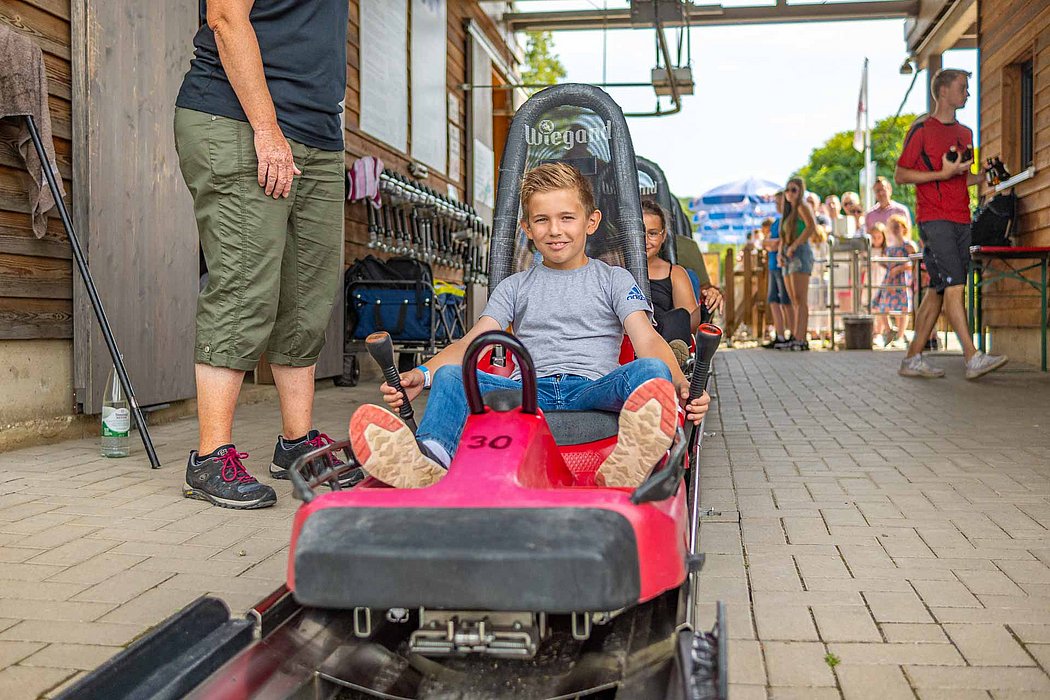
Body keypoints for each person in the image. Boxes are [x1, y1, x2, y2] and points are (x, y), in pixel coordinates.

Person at [346, 163, 711, 490]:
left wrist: (680, 384)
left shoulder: (614, 279)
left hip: (592, 387)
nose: (555, 231)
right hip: (526, 392)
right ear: (527, 228)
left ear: (591, 222)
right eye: (542, 220)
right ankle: (427, 462)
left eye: (567, 218)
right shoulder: (514, 286)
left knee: (651, 368)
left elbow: (646, 340)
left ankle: (630, 459)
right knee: (451, 378)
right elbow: (474, 342)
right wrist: (422, 374)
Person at [174, 0, 350, 508]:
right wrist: (266, 129)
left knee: (308, 294)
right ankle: (209, 457)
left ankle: (297, 444)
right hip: (239, 117)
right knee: (244, 284)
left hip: (318, 130)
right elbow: (226, 18)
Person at [895, 68, 1007, 379]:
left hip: (961, 217)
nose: (968, 93)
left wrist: (984, 175)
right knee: (956, 285)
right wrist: (939, 176)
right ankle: (972, 358)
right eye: (962, 87)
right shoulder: (921, 131)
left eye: (968, 88)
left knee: (939, 289)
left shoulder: (966, 133)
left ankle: (912, 359)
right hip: (935, 219)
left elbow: (962, 178)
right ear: (943, 92)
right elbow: (901, 174)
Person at [642, 200, 724, 366]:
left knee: (679, 316)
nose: (644, 240)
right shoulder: (613, 266)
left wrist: (706, 304)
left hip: (664, 337)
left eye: (652, 233)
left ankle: (671, 357)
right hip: (627, 337)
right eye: (639, 233)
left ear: (663, 236)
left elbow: (690, 323)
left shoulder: (674, 273)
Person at [780, 177, 818, 351]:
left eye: (794, 190)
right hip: (788, 254)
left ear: (800, 191)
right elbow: (783, 236)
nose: (790, 193)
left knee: (800, 299)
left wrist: (795, 245)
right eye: (787, 190)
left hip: (800, 253)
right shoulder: (787, 211)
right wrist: (782, 252)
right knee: (793, 299)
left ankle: (801, 338)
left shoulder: (802, 206)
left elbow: (811, 227)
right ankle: (795, 335)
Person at [871, 215, 913, 347]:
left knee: (903, 308)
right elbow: (887, 263)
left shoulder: (908, 245)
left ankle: (900, 335)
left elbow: (913, 263)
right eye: (892, 226)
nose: (895, 229)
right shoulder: (890, 247)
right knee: (882, 306)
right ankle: (888, 330)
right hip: (889, 280)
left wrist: (900, 268)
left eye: (897, 226)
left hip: (901, 280)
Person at [762, 195, 793, 349]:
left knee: (786, 301)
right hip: (773, 266)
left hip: (783, 266)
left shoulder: (786, 222)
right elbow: (766, 242)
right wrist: (772, 243)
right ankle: (780, 335)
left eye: (778, 201)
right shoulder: (776, 223)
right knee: (773, 300)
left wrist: (773, 244)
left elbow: (779, 243)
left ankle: (792, 334)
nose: (776, 204)